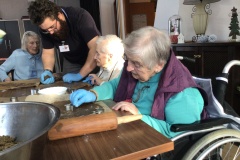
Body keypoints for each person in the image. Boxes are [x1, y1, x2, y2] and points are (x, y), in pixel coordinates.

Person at [69, 26, 207, 139]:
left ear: (159, 65)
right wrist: (94, 93)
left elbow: (179, 134)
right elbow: (115, 85)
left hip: (152, 138)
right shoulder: (139, 71)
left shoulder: (183, 93)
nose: (128, 68)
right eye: (128, 59)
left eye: (136, 64)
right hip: (131, 126)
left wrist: (139, 116)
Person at [28, 0, 101, 84]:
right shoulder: (45, 29)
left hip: (93, 58)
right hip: (71, 60)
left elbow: (95, 48)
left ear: (59, 15)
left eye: (52, 27)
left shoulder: (80, 17)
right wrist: (47, 71)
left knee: (96, 85)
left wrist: (80, 75)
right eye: (46, 30)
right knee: (68, 86)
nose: (50, 32)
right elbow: (48, 52)